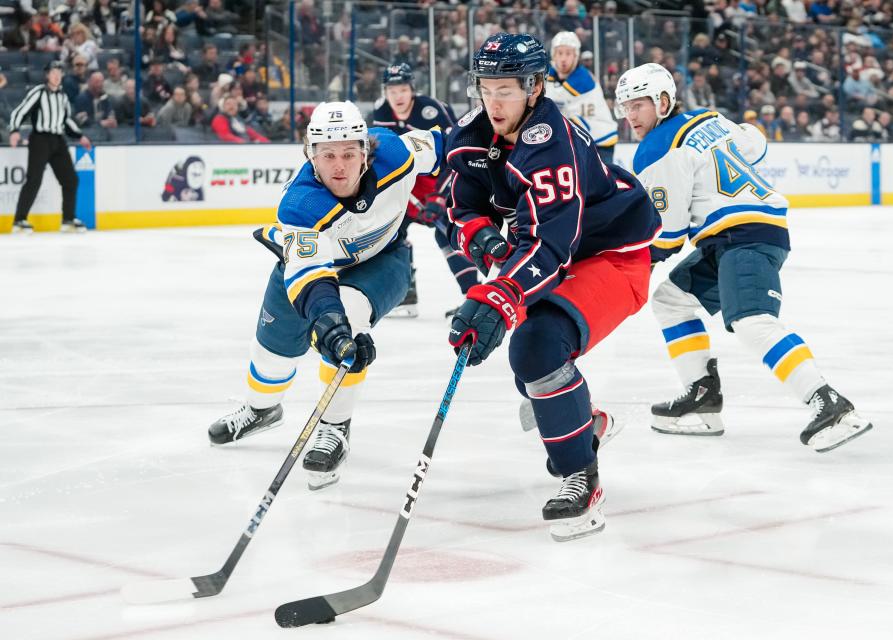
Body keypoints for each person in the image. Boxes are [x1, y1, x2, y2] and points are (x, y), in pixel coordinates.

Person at [444, 34, 661, 541]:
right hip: (560, 253)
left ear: (535, 87)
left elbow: (549, 244)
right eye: (486, 89)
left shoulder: (550, 141)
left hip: (612, 255)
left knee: (538, 347)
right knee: (532, 368)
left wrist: (499, 294)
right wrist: (484, 244)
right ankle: (585, 422)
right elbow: (457, 208)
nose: (494, 102)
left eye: (507, 90)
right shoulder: (471, 135)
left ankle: (579, 477)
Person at [614, 63, 873, 452]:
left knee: (752, 321)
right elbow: (756, 143)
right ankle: (702, 397)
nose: (631, 115)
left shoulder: (655, 150)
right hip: (740, 234)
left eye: (639, 105)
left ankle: (830, 403)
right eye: (625, 107)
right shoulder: (709, 118)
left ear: (663, 101)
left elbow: (668, 235)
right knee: (671, 300)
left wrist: (630, 259)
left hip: (743, 236)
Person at [207, 102, 444, 491]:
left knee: (347, 319)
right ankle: (261, 409)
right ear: (310, 155)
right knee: (273, 351)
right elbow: (312, 282)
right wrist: (329, 328)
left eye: (350, 154)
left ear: (366, 151)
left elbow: (452, 145)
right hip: (312, 271)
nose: (340, 166)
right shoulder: (300, 206)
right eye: (328, 155)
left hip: (383, 262)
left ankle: (335, 427)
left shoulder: (397, 153)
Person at [369, 62, 476, 317]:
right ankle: (406, 296)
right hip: (407, 186)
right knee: (392, 234)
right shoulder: (380, 110)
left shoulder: (431, 110)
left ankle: (474, 297)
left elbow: (454, 154)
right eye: (392, 90)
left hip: (441, 181)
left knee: (449, 236)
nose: (397, 96)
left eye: (402, 89)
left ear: (412, 90)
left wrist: (440, 195)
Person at [7, 60, 92, 233]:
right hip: (40, 140)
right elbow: (20, 111)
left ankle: (68, 219)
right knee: (34, 179)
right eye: (53, 72)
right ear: (47, 75)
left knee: (70, 179)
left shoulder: (62, 96)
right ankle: (19, 220)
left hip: (58, 140)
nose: (57, 75)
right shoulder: (38, 93)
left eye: (59, 72)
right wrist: (14, 130)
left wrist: (80, 135)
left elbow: (66, 120)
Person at [543, 31, 619, 164]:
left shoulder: (582, 78)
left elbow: (554, 99)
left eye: (568, 53)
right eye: (559, 53)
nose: (563, 58)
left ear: (576, 56)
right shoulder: (552, 74)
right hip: (579, 139)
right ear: (553, 55)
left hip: (599, 141)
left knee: (600, 184)